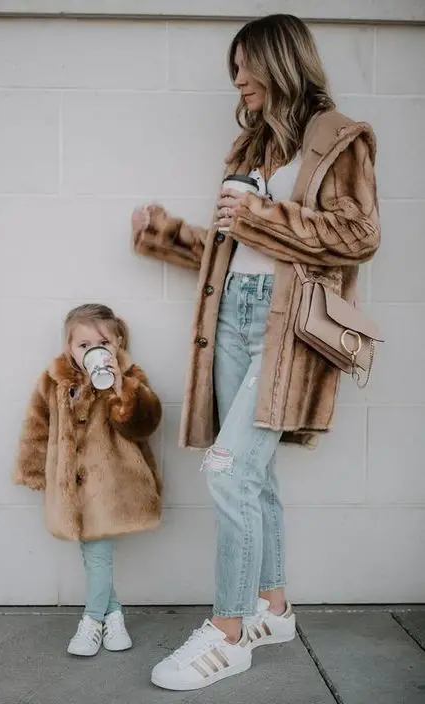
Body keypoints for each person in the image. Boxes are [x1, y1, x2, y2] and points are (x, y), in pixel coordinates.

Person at [131, 14, 380, 691]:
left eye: (247, 65)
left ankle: (229, 633)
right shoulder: (252, 148)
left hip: (287, 327)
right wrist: (167, 236)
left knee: (228, 472)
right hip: (234, 315)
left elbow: (359, 235)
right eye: (233, 67)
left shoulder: (339, 139)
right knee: (255, 477)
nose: (237, 79)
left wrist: (261, 215)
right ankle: (273, 608)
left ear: (281, 63)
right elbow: (233, 250)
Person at [14, 303, 162, 657]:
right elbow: (37, 426)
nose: (91, 351)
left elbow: (144, 424)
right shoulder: (53, 380)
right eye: (83, 345)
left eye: (102, 344)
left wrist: (120, 387)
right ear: (69, 348)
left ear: (117, 344)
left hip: (111, 487)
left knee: (97, 555)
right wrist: (34, 470)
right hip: (70, 488)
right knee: (93, 553)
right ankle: (114, 616)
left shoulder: (131, 378)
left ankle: (91, 621)